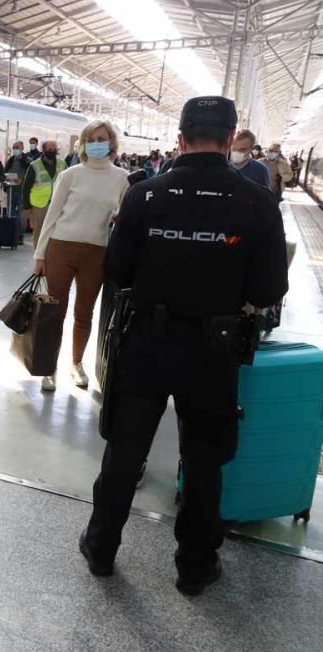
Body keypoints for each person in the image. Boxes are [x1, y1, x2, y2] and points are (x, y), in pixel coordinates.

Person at [80, 96, 289, 597]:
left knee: (124, 453)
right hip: (213, 354)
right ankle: (194, 568)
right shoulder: (256, 201)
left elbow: (117, 272)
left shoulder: (144, 195)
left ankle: (102, 549)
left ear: (180, 138)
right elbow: (269, 290)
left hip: (145, 346)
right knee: (203, 461)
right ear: (231, 138)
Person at [33, 121, 129, 393]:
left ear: (111, 143)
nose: (97, 142)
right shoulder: (71, 175)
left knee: (84, 313)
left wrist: (118, 218)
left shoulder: (121, 178)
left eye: (102, 138)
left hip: (96, 252)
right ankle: (48, 368)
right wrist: (40, 254)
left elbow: (124, 217)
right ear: (84, 143)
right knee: (55, 311)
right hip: (61, 247)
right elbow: (52, 216)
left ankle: (76, 364)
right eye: (91, 138)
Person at [22, 139, 67, 248]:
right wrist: (27, 207)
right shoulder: (34, 165)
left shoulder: (62, 164)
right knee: (39, 231)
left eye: (54, 149)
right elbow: (26, 187)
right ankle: (38, 254)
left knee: (55, 230)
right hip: (39, 205)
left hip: (57, 203)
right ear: (43, 150)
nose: (52, 151)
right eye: (49, 149)